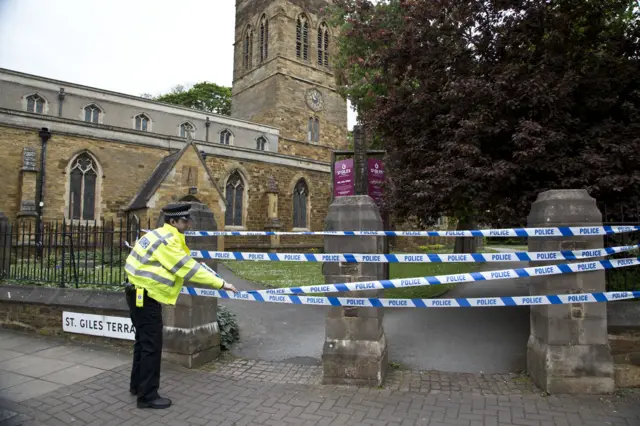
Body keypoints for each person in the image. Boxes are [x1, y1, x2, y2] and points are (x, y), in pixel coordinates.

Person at [124, 202, 238, 409]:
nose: (188, 223)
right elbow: (188, 269)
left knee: (142, 342)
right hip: (145, 296)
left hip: (135, 293)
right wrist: (222, 284)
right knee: (151, 346)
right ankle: (147, 397)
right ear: (173, 221)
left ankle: (137, 386)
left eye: (188, 219)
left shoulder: (155, 234)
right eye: (185, 220)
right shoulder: (168, 242)